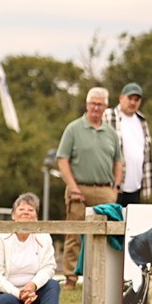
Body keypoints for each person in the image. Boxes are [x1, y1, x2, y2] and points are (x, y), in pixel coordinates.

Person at [56, 87, 123, 288]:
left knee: (108, 234)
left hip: (105, 190)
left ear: (106, 107)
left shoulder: (111, 133)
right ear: (87, 104)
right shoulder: (73, 128)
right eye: (93, 103)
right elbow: (62, 159)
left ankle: (106, 277)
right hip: (78, 189)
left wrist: (116, 187)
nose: (96, 107)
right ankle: (70, 278)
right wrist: (72, 186)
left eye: (100, 104)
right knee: (74, 235)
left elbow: (118, 161)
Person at [103, 82, 152, 205]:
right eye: (129, 98)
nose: (132, 103)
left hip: (136, 186)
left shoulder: (142, 121)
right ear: (121, 98)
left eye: (136, 99)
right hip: (113, 185)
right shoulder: (109, 116)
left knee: (132, 223)